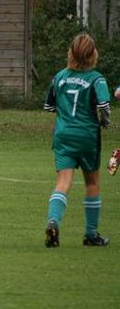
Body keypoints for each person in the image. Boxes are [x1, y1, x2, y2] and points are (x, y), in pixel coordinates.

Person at [43, 33, 111, 248]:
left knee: (63, 182)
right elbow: (103, 107)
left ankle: (53, 221)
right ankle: (91, 234)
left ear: (70, 53)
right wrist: (106, 123)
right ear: (93, 55)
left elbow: (49, 106)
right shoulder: (97, 79)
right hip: (87, 136)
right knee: (92, 182)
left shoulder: (60, 77)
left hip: (63, 135)